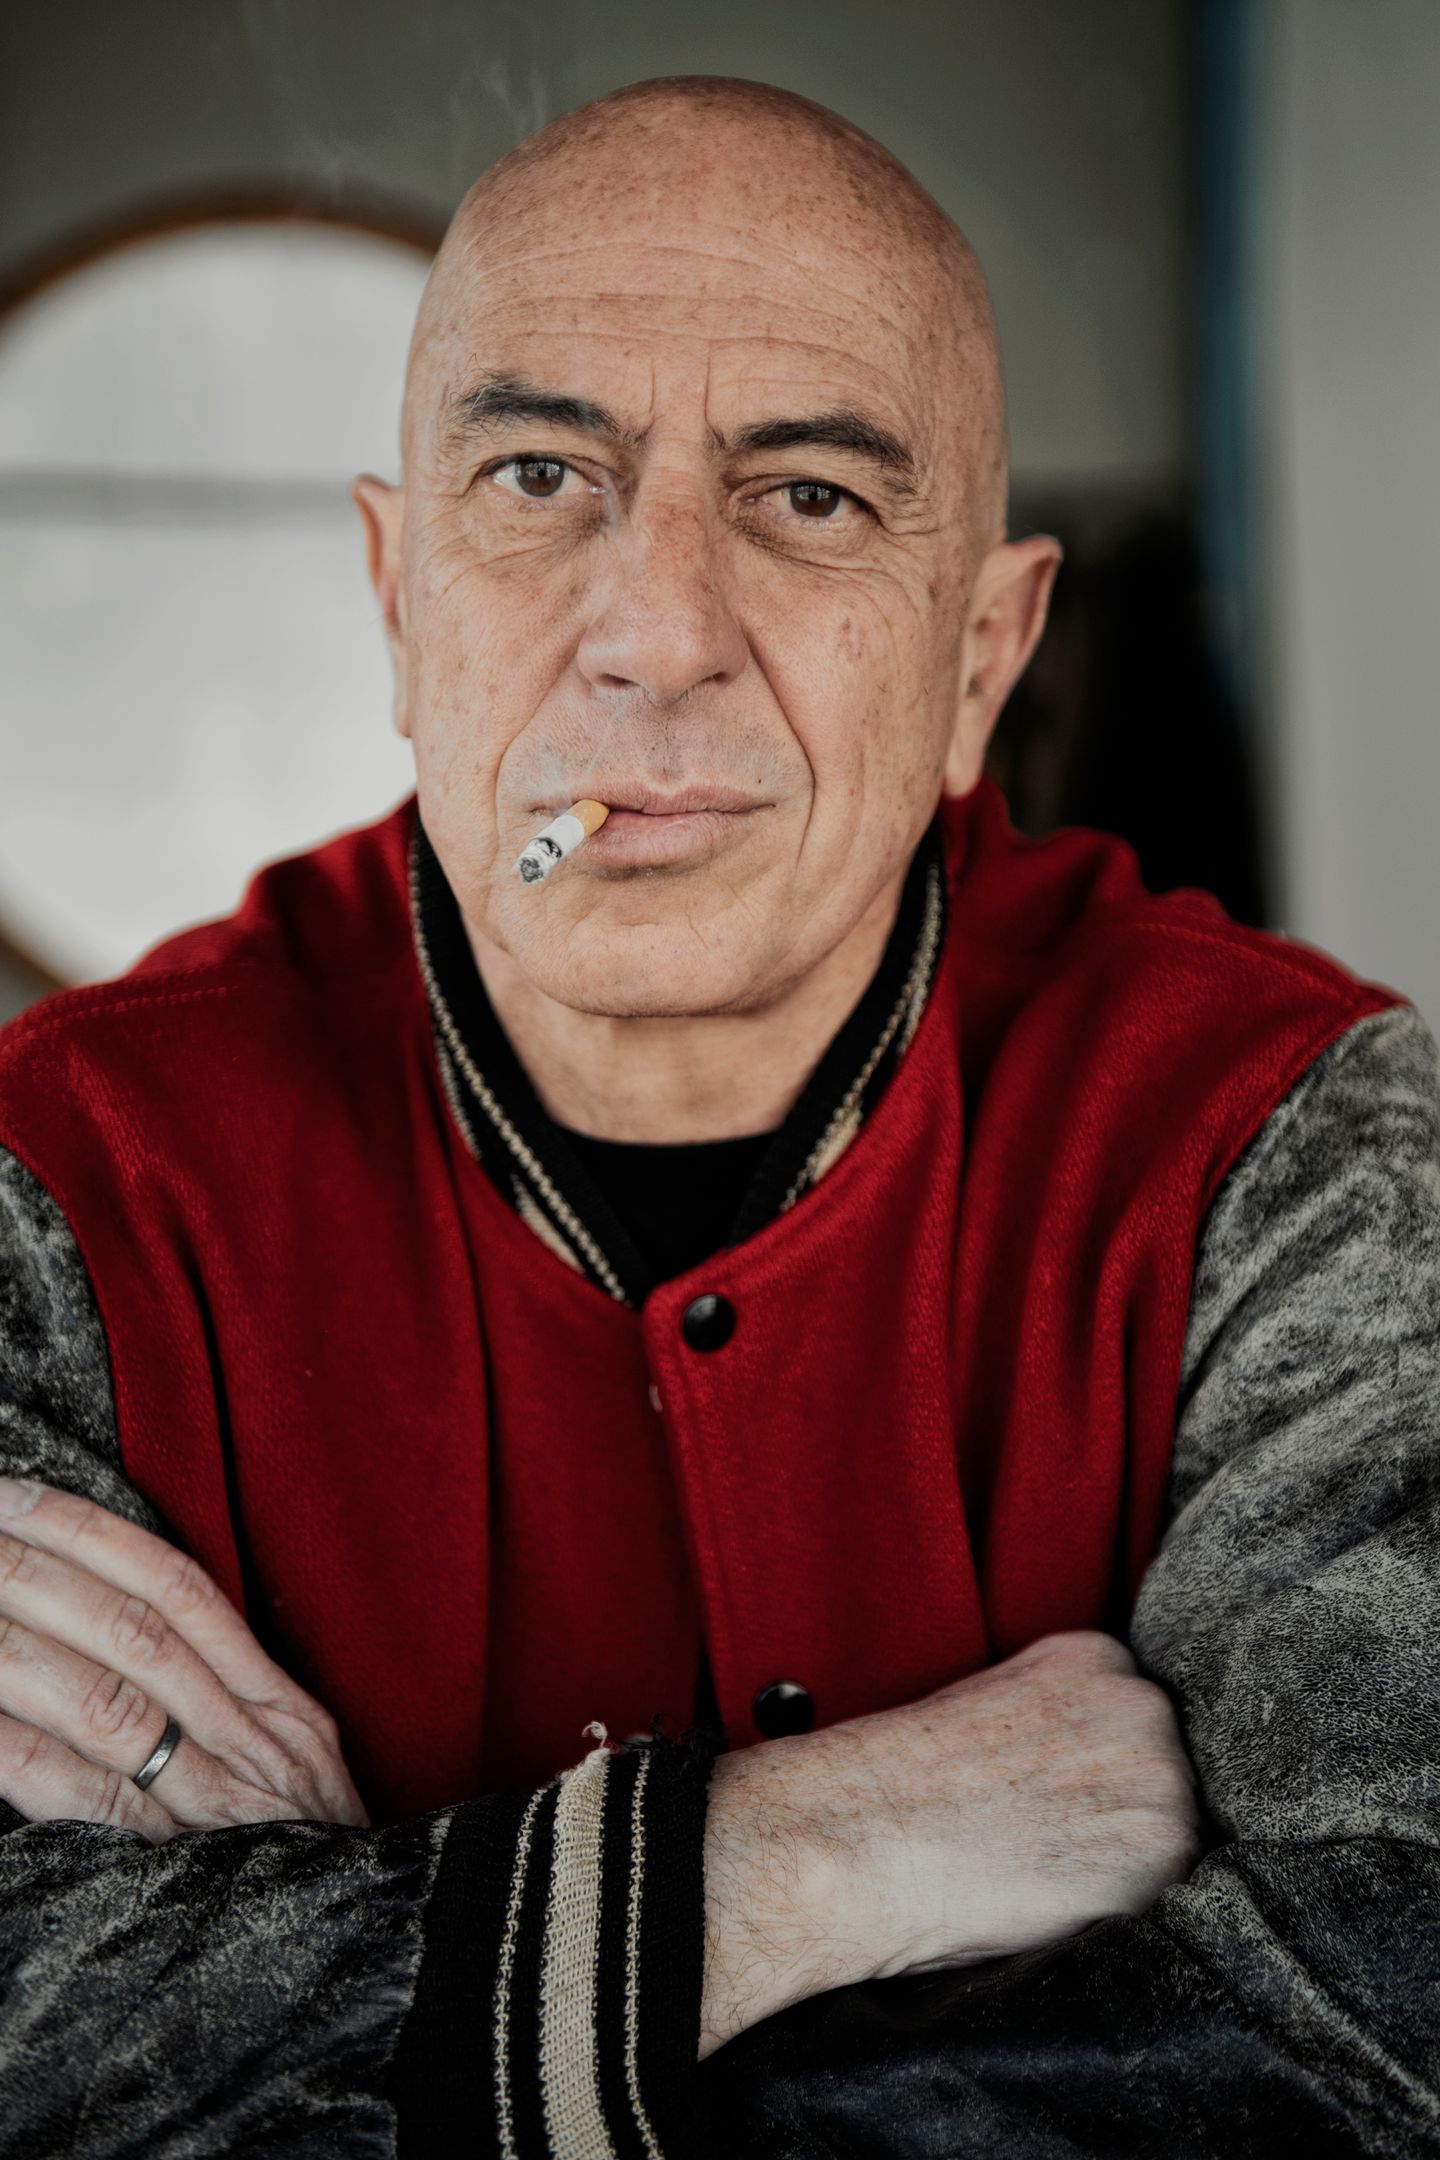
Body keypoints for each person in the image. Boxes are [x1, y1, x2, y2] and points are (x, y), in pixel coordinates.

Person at [0, 74, 1436, 2160]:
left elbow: (1384, 2021)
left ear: (982, 661)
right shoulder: (65, 1172)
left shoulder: (1286, 1145)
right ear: (400, 601)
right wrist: (795, 1865)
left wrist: (339, 1990)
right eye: (538, 476)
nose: (658, 637)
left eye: (814, 498)